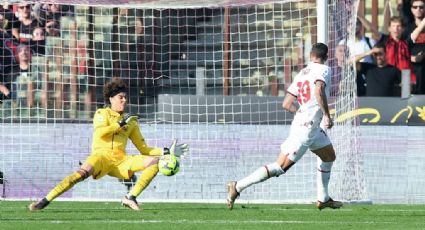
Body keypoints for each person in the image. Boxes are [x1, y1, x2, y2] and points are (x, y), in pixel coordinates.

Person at [28, 78, 189, 211]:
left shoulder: (131, 121)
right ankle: (45, 200)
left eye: (125, 97)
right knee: (79, 175)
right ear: (111, 99)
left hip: (121, 161)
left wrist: (167, 150)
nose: (124, 100)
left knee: (157, 162)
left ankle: (130, 197)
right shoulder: (101, 113)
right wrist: (119, 124)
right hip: (101, 158)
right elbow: (100, 133)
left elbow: (144, 149)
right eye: (121, 97)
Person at [227, 43, 343, 210]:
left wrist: (301, 113)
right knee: (280, 167)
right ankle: (237, 186)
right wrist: (326, 115)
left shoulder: (302, 74)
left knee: (329, 156)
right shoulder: (324, 69)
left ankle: (323, 198)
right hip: (307, 128)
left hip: (307, 125)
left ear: (310, 55)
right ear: (326, 57)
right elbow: (318, 91)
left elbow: (287, 103)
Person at [403, 0, 425, 94]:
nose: (418, 9)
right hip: (409, 71)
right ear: (411, 10)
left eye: (421, 7)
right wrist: (412, 58)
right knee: (406, 100)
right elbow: (400, 49)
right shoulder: (406, 29)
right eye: (415, 7)